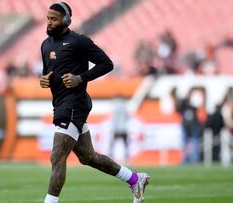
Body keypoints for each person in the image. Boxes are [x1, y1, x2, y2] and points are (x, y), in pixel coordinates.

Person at [40, 2, 150, 203]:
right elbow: (49, 72)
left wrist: (80, 78)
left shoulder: (78, 41)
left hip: (75, 104)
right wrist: (44, 79)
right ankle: (135, 179)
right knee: (88, 157)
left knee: (57, 156)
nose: (49, 22)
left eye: (54, 19)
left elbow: (107, 64)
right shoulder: (46, 44)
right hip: (61, 104)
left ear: (66, 20)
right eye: (48, 18)